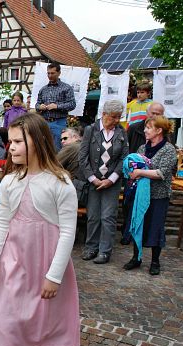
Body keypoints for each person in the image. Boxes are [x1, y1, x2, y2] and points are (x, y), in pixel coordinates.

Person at [0, 113, 80, 346]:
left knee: (52, 315)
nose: (11, 147)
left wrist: (54, 275)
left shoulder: (61, 183)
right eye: (10, 142)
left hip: (47, 262)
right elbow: (3, 221)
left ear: (38, 141)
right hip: (14, 260)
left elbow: (68, 231)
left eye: (18, 142)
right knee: (3, 316)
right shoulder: (10, 181)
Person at [122, 116, 178, 275]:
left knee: (155, 227)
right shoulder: (142, 148)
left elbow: (161, 173)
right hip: (140, 194)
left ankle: (155, 261)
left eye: (149, 127)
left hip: (158, 196)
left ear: (159, 130)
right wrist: (132, 170)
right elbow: (134, 166)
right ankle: (136, 257)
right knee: (138, 223)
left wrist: (140, 172)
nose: (145, 130)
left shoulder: (168, 149)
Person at [79, 100, 128, 264]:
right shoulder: (90, 130)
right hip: (93, 181)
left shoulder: (121, 132)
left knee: (108, 217)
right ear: (104, 114)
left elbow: (124, 158)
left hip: (112, 182)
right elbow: (83, 157)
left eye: (119, 117)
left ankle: (105, 251)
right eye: (114, 117)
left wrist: (112, 179)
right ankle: (91, 248)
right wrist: (93, 179)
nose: (117, 121)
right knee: (93, 216)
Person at [36, 63, 76, 151]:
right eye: (48, 73)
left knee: (57, 149)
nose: (50, 75)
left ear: (59, 73)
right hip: (44, 122)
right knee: (43, 149)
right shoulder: (43, 89)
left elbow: (72, 104)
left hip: (59, 122)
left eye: (52, 73)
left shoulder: (66, 88)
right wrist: (40, 107)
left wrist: (57, 106)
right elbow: (37, 104)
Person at [57, 127, 85, 205]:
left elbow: (53, 165)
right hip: (86, 193)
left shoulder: (71, 147)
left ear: (75, 137)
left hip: (72, 192)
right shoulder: (86, 146)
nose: (62, 141)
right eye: (61, 139)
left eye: (65, 138)